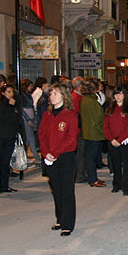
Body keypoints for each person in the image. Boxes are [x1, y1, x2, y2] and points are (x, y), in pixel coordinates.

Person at [39, 83, 79, 236]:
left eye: (55, 93)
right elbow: (42, 135)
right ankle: (60, 218)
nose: (52, 96)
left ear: (63, 95)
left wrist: (55, 153)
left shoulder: (70, 115)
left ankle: (68, 223)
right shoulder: (47, 115)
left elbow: (71, 139)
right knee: (56, 189)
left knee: (67, 190)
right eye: (51, 94)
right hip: (50, 157)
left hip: (65, 157)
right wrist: (46, 153)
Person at [0, 84, 23, 193]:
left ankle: (4, 186)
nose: (11, 94)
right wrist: (11, 107)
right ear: (3, 93)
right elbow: (4, 118)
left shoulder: (13, 104)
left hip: (10, 136)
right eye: (8, 92)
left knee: (5, 162)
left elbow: (17, 119)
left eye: (12, 92)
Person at [104, 86, 128, 195]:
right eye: (116, 94)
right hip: (112, 140)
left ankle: (127, 187)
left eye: (120, 93)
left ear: (124, 95)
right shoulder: (109, 109)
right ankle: (117, 184)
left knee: (126, 164)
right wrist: (112, 139)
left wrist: (120, 139)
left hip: (125, 140)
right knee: (115, 163)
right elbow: (106, 127)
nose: (118, 96)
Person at [80, 78, 106, 187]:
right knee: (91, 157)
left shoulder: (87, 99)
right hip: (94, 133)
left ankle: (93, 177)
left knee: (91, 157)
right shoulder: (91, 101)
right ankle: (93, 179)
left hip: (90, 132)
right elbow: (97, 118)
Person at [20, 78, 40, 164]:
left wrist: (34, 118)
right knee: (29, 138)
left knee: (29, 138)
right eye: (30, 86)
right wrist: (28, 119)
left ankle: (30, 156)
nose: (32, 88)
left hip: (30, 117)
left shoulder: (28, 95)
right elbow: (22, 109)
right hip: (26, 119)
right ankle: (35, 156)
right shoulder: (22, 96)